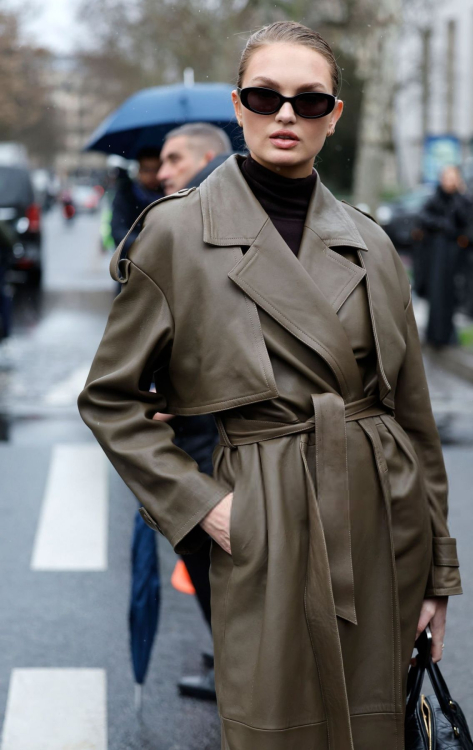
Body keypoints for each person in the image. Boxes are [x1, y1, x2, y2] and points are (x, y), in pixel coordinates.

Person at [78, 21, 462, 750]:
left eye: (309, 100)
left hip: (382, 525)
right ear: (240, 106)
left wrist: (436, 574)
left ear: (333, 116)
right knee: (276, 729)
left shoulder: (372, 242)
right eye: (265, 96)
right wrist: (206, 508)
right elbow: (110, 399)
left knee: (376, 726)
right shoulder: (175, 234)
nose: (287, 114)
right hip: (264, 520)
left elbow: (413, 416)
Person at [155, 123, 233, 701]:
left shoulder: (197, 221)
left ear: (209, 156)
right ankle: (233, 656)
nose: (162, 171)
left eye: (173, 158)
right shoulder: (186, 216)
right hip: (201, 423)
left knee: (213, 556)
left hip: (212, 433)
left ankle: (234, 667)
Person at [419, 165, 473, 347]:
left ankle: (448, 335)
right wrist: (441, 225)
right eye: (446, 177)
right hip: (436, 254)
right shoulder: (435, 198)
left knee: (451, 293)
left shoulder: (462, 199)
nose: (449, 181)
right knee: (436, 292)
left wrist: (459, 195)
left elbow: (467, 220)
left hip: (455, 255)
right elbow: (423, 218)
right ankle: (434, 335)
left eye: (453, 178)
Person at [110, 146, 163, 249]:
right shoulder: (126, 195)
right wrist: (145, 245)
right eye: (146, 170)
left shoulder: (170, 192)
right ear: (139, 170)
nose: (151, 175)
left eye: (156, 170)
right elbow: (118, 232)